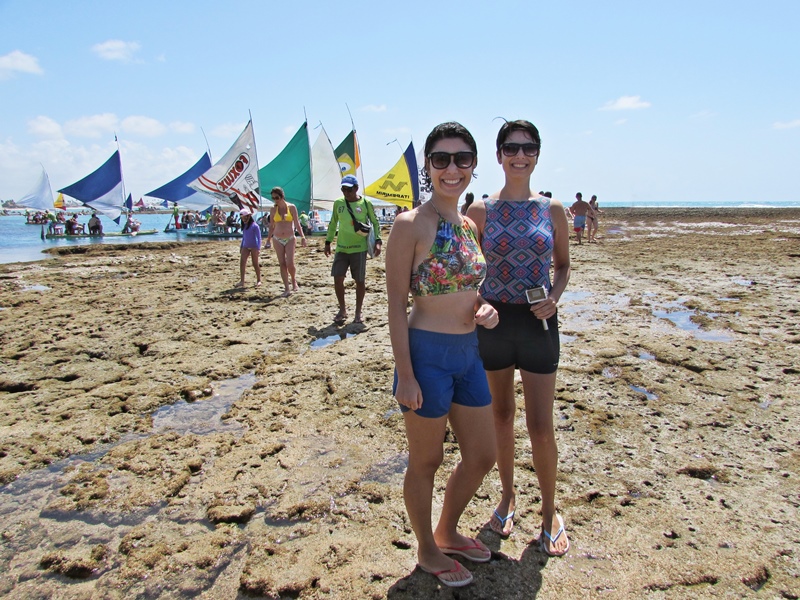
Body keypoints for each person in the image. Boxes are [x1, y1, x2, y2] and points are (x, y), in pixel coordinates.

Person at [387, 122, 499, 588]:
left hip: (469, 353)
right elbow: (395, 305)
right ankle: (427, 549)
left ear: (473, 165)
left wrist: (484, 308)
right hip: (426, 355)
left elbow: (469, 289)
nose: (452, 169)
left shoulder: (470, 224)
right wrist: (406, 374)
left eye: (462, 159)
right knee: (426, 461)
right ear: (429, 167)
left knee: (482, 455)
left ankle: (448, 530)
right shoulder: (410, 224)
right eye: (441, 159)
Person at [467, 119, 571, 556]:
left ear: (538, 154)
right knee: (501, 418)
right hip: (493, 324)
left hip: (537, 324)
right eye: (511, 147)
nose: (519, 154)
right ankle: (507, 498)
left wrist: (554, 296)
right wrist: (478, 304)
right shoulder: (480, 211)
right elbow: (469, 270)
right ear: (498, 155)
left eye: (528, 147)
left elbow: (563, 266)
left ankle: (550, 513)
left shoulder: (552, 209)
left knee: (540, 427)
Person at [324, 175, 382, 324]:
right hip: (342, 248)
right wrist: (328, 242)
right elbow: (333, 223)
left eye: (349, 189)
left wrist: (378, 241)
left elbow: (375, 223)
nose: (346, 192)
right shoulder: (338, 203)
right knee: (338, 278)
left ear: (356, 188)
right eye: (343, 189)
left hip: (359, 249)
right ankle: (342, 310)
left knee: (359, 281)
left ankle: (358, 312)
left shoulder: (365, 203)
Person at [265, 187, 307, 297]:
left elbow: (297, 224)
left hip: (290, 238)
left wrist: (303, 237)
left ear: (282, 196)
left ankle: (293, 280)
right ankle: (286, 288)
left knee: (290, 263)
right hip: (277, 238)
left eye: (277, 197)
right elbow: (271, 226)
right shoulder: (273, 209)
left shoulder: (292, 207)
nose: (275, 200)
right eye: (273, 198)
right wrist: (268, 240)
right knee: (282, 263)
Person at [236, 208, 262, 288]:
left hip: (254, 246)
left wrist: (258, 248)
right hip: (245, 246)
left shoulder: (255, 226)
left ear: (248, 216)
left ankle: (259, 280)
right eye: (242, 218)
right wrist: (241, 246)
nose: (243, 220)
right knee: (242, 263)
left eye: (244, 218)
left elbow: (259, 238)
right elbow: (244, 237)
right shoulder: (245, 226)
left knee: (255, 264)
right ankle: (242, 281)